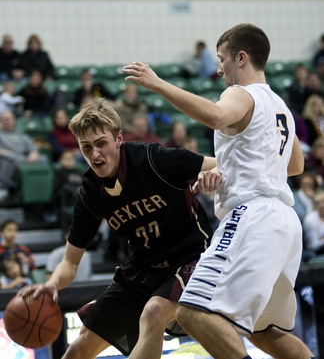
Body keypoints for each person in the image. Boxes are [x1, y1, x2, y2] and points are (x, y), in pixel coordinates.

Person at [122, 23, 315, 359]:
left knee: (193, 311)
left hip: (253, 217)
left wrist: (158, 85)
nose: (219, 67)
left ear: (241, 58)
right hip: (285, 222)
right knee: (266, 331)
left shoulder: (241, 93)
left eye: (222, 59)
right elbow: (294, 165)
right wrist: (230, 173)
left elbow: (215, 115)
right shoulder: (281, 106)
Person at [19, 97, 219, 359]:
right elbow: (70, 263)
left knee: (154, 313)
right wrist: (52, 283)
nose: (95, 154)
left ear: (119, 139)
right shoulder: (91, 192)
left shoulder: (152, 159)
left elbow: (219, 163)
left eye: (101, 144)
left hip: (191, 257)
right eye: (86, 147)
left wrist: (212, 174)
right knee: (78, 350)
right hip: (142, 269)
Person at [0, 110, 43, 201]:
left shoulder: (21, 135)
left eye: (10, 119)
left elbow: (32, 148)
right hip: (8, 159)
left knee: (43, 159)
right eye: (5, 120)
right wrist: (4, 152)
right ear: (1, 121)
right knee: (8, 160)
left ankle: (39, 189)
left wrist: (33, 154)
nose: (8, 121)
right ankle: (3, 189)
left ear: (14, 120)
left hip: (23, 159)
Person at [303, 189, 324, 257]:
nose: (321, 205)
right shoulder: (310, 220)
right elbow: (314, 245)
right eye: (317, 203)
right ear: (314, 205)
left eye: (323, 201)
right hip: (317, 253)